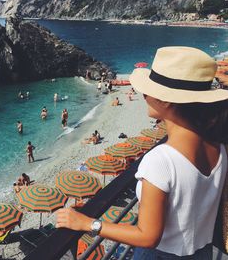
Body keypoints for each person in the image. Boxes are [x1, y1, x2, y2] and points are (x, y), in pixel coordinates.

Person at [55, 47, 228, 259]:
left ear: (165, 100)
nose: (143, 95)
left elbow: (148, 236)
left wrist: (87, 223)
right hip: (203, 253)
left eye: (148, 90)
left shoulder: (161, 160)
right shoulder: (218, 147)